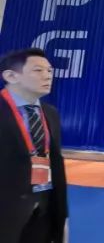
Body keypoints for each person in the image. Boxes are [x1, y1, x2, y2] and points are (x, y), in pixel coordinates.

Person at [0, 48, 68, 243]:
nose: (47, 76)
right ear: (11, 76)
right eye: (38, 70)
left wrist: (61, 216)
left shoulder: (50, 113)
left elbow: (55, 163)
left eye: (49, 71)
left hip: (43, 210)